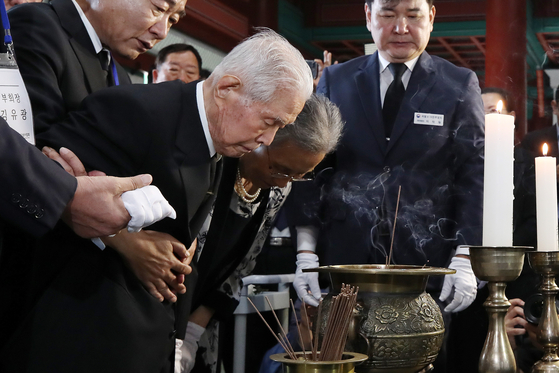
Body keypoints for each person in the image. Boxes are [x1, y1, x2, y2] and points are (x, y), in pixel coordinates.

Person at [0, 29, 313, 373]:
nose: (266, 140)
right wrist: (117, 235)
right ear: (227, 88)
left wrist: (179, 339)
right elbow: (42, 185)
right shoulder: (133, 111)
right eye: (269, 122)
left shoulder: (221, 140)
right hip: (83, 337)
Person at [300, 1, 485, 371]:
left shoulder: (458, 83)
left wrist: (465, 256)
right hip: (345, 264)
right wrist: (305, 252)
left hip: (425, 266)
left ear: (431, 17)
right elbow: (313, 168)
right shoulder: (337, 79)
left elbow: (473, 174)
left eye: (413, 15)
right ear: (368, 16)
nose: (401, 27)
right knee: (340, 359)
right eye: (387, 14)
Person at [176, 94, 343, 373]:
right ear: (261, 136)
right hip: (155, 311)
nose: (283, 181)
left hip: (201, 323)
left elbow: (238, 268)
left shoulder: (278, 187)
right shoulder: (209, 165)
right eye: (279, 168)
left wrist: (193, 331)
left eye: (300, 175)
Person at [446, 87, 538, 373]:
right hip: (464, 279)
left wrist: (497, 255)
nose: (487, 119)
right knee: (463, 353)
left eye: (494, 112)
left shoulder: (528, 163)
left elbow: (535, 222)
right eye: (480, 112)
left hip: (514, 281)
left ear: (510, 118)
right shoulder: (455, 163)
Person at [8, 0, 186, 135]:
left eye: (172, 19)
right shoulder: (35, 24)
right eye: (159, 8)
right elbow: (31, 142)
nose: (162, 32)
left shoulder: (121, 77)